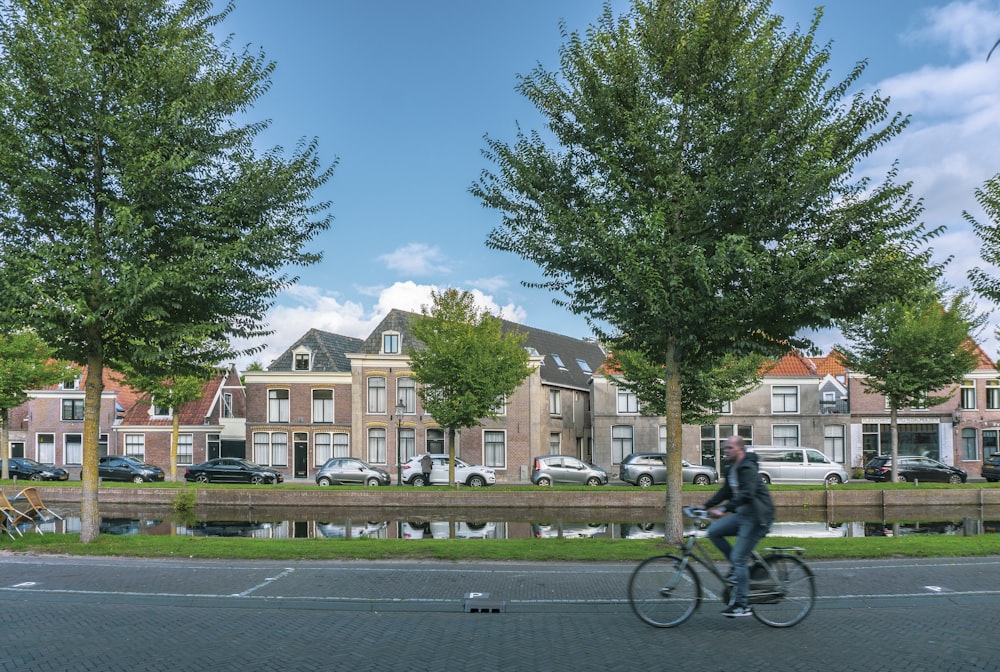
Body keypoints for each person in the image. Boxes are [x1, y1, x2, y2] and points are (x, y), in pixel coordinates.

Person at [701, 435, 774, 618]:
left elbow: (748, 494)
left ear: (739, 450)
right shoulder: (732, 468)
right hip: (742, 515)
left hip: (757, 518)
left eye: (729, 448)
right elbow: (725, 492)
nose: (725, 451)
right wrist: (705, 506)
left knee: (739, 557)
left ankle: (742, 604)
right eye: (724, 448)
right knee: (713, 531)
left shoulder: (747, 468)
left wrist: (724, 509)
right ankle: (736, 569)